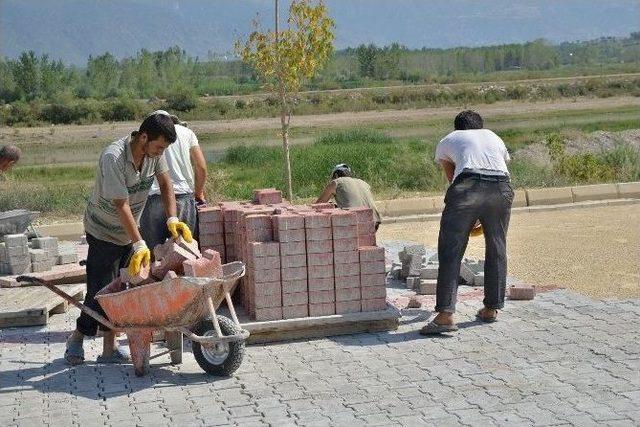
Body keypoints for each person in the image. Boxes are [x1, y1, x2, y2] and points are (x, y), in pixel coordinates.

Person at [64, 113, 194, 365]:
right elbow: (120, 205)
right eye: (158, 146)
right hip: (103, 229)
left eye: (164, 148)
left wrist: (172, 219)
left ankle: (109, 350)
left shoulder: (154, 154)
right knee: (101, 291)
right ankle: (77, 338)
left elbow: (166, 184)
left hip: (130, 229)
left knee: (123, 289)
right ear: (143, 137)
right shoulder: (113, 157)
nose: (160, 152)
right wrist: (139, 243)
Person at [421, 110, 513, 335]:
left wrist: (469, 213)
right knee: (497, 247)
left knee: (451, 251)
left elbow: (453, 179)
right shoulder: (494, 137)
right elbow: (500, 167)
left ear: (457, 128)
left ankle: (445, 316)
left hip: (467, 188)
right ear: (480, 126)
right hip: (501, 188)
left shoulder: (449, 140)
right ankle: (491, 309)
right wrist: (481, 213)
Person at [139, 110, 208, 252]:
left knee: (153, 256)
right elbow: (201, 167)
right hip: (182, 198)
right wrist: (199, 193)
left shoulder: (148, 137)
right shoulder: (187, 133)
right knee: (185, 252)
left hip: (153, 199)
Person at [315, 163, 381, 229]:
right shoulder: (363, 183)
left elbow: (318, 205)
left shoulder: (336, 182)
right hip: (374, 222)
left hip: (355, 222)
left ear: (336, 175)